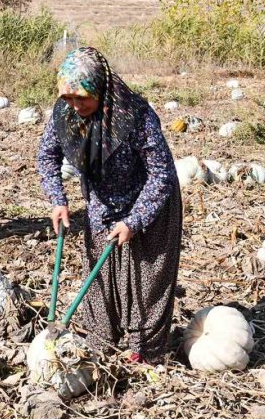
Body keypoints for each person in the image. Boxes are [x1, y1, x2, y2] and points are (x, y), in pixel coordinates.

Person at [37, 47, 182, 364]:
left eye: (82, 98)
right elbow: (47, 157)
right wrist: (58, 200)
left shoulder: (136, 116)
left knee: (146, 281)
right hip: (102, 204)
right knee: (101, 277)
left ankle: (143, 351)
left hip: (150, 203)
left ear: (101, 88)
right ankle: (102, 342)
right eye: (68, 98)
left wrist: (135, 220)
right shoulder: (64, 114)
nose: (75, 106)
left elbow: (162, 174)